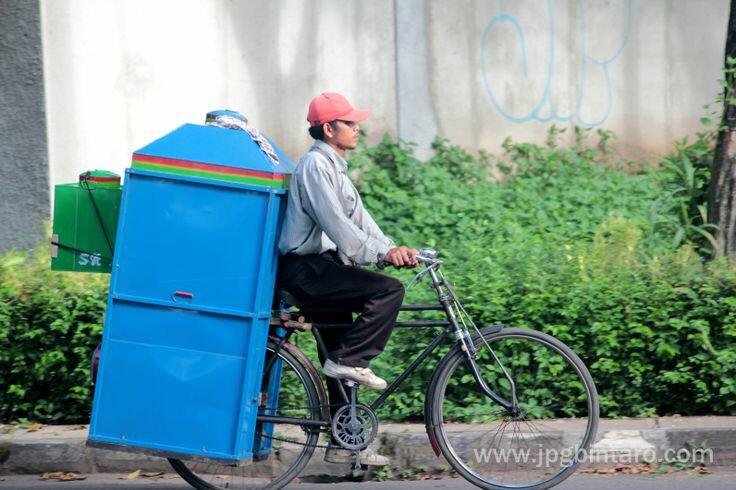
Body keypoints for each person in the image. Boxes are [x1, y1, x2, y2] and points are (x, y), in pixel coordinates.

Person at [277, 92, 418, 465]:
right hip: (306, 271)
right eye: (350, 122)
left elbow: (359, 218)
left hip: (323, 267)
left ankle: (345, 445)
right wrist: (379, 256)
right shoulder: (314, 167)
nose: (358, 128)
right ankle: (351, 359)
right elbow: (335, 224)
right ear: (328, 128)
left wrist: (391, 249)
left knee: (338, 351)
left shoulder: (334, 167)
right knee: (388, 292)